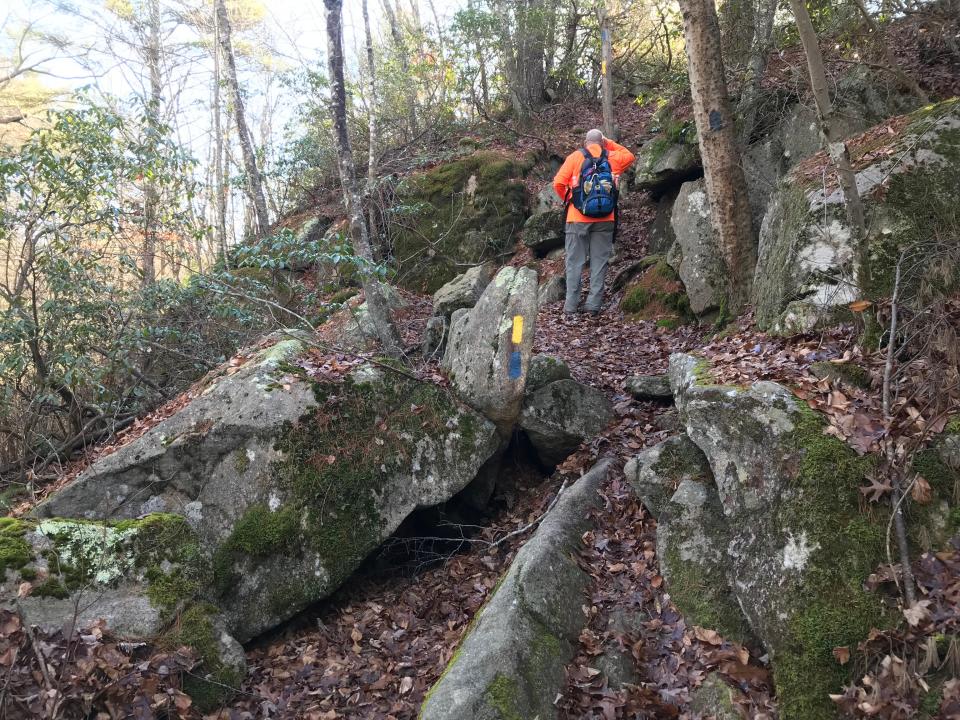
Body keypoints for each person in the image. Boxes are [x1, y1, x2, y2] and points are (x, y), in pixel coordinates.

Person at [552, 129, 635, 315]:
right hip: (606, 218)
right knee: (599, 262)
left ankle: (571, 306)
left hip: (576, 219)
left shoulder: (575, 157)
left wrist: (571, 199)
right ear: (602, 142)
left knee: (574, 263)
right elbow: (630, 156)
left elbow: (558, 183)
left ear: (585, 142)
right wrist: (609, 143)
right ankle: (593, 306)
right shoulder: (612, 156)